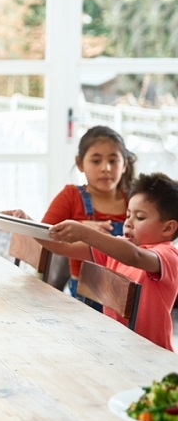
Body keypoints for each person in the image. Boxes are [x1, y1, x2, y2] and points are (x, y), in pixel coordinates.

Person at [43, 172, 178, 351]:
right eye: (128, 215)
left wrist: (85, 232)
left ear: (168, 228)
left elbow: (134, 257)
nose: (128, 223)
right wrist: (24, 223)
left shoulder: (168, 255)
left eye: (140, 217)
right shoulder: (119, 246)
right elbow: (61, 247)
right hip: (115, 348)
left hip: (151, 356)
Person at [42, 125, 136, 299]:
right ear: (80, 163)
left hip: (130, 294)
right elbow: (42, 232)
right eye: (96, 161)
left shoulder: (136, 200)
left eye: (113, 161)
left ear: (125, 165)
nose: (105, 168)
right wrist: (81, 228)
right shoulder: (71, 196)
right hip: (85, 297)